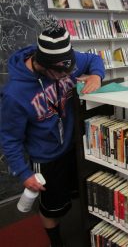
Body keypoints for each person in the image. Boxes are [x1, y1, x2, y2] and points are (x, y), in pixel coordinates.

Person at [0, 20, 105, 247]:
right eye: (62, 73)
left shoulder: (64, 59)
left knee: (76, 195)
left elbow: (94, 59)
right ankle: (55, 242)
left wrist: (96, 75)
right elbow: (10, 139)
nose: (69, 74)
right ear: (44, 66)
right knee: (52, 207)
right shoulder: (14, 94)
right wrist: (24, 173)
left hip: (74, 145)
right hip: (46, 156)